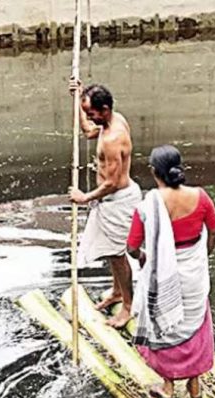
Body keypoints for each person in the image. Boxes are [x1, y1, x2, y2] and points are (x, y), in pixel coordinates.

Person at [126, 145, 215, 398]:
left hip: (163, 274)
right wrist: (203, 256)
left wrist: (144, 258)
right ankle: (195, 384)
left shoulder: (149, 206)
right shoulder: (201, 197)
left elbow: (132, 247)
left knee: (164, 323)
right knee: (196, 321)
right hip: (194, 271)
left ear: (154, 172)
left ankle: (167, 387)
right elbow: (213, 232)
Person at [68, 80, 141, 328]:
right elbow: (88, 131)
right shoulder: (111, 120)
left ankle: (128, 307)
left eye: (92, 113)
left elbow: (111, 182)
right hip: (109, 200)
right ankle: (117, 291)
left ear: (105, 109)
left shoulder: (113, 138)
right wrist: (78, 99)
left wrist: (84, 197)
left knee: (118, 254)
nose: (90, 118)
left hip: (118, 200)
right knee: (111, 252)